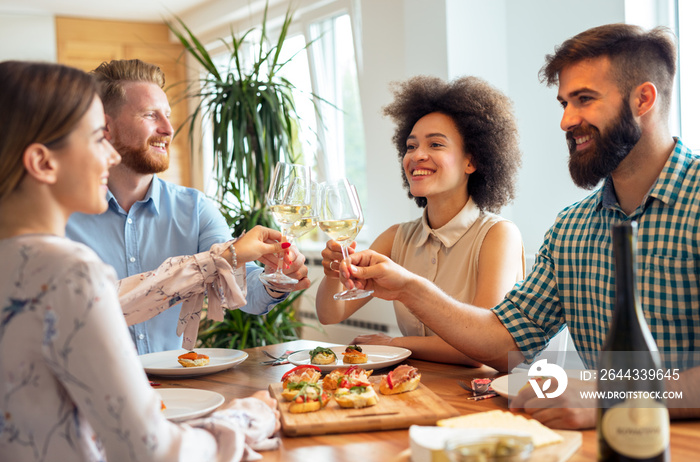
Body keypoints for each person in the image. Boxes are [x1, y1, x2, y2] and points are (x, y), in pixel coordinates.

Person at [337, 24, 700, 428]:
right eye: (563, 102)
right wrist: (409, 288)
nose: (565, 120)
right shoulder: (572, 229)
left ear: (643, 99)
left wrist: (610, 397)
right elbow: (502, 339)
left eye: (584, 100)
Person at [0, 60, 282, 462]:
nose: (109, 154)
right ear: (43, 162)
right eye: (98, 137)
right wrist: (247, 417)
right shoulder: (70, 270)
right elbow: (153, 454)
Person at [66, 59, 310, 354]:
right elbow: (89, 310)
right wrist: (226, 256)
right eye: (150, 115)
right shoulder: (62, 216)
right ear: (106, 127)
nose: (168, 129)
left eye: (167, 115)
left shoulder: (194, 208)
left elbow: (242, 291)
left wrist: (276, 279)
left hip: (179, 392)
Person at [316, 76, 524, 365]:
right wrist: (332, 272)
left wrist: (394, 345)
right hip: (421, 387)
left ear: (471, 161)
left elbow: (482, 349)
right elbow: (330, 314)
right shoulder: (396, 238)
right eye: (411, 146)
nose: (417, 156)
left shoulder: (499, 236)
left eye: (436, 144)